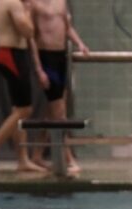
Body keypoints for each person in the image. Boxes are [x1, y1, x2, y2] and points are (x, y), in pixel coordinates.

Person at [0, 0, 44, 174]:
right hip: (12, 54)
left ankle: (23, 160)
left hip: (8, 53)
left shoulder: (0, 3)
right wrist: (29, 13)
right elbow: (28, 31)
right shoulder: (13, 3)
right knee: (24, 110)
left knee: (18, 109)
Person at [28, 0, 89, 174]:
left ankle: (37, 155)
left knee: (52, 111)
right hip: (45, 57)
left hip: (60, 57)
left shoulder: (61, 2)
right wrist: (39, 68)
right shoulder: (35, 4)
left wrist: (80, 43)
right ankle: (68, 157)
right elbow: (30, 37)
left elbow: (67, 27)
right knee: (59, 112)